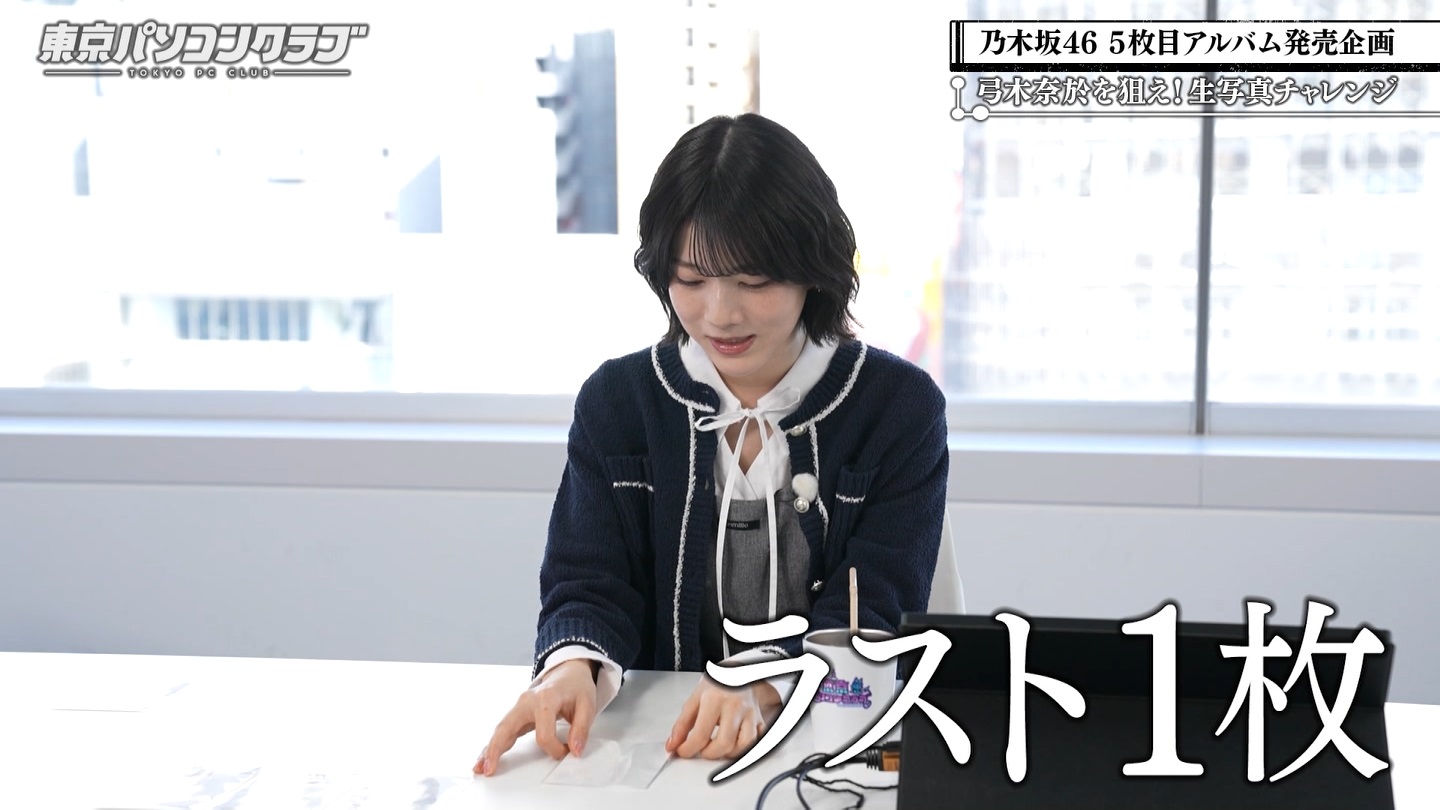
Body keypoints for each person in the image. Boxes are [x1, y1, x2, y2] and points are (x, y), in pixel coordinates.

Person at [477, 113, 948, 776]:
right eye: (692, 280)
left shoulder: (897, 407)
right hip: (662, 748)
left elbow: (875, 601)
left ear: (813, 270)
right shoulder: (619, 402)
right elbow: (588, 580)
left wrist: (762, 678)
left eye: (754, 281)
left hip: (833, 745)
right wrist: (569, 666)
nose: (721, 314)